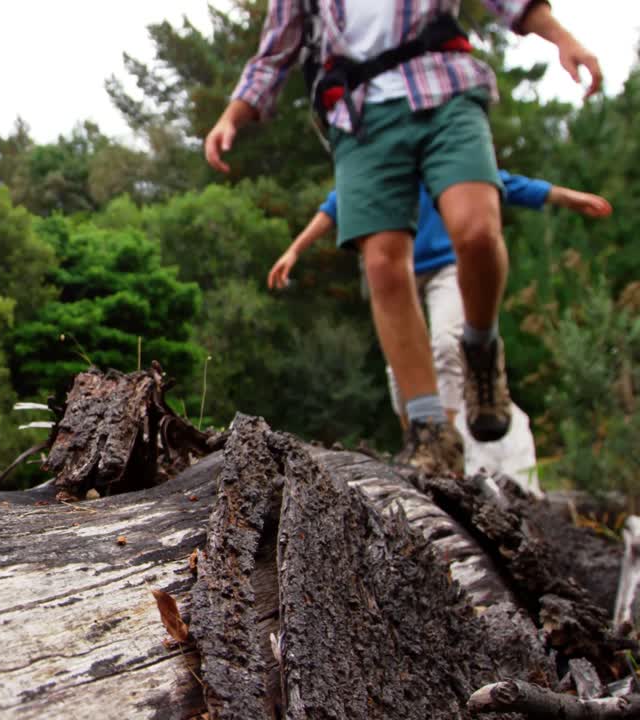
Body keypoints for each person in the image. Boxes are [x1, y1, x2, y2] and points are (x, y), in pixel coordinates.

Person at [204, 0, 602, 475]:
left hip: (443, 86)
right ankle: (429, 429)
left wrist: (562, 37)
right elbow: (274, 51)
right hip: (359, 113)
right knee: (382, 266)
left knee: (476, 232)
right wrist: (232, 115)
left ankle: (481, 348)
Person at [267, 173, 612, 485]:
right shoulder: (379, 160)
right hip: (398, 270)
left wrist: (566, 196)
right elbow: (334, 204)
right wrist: (295, 250)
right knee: (399, 368)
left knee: (448, 344)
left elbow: (504, 182)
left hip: (448, 266)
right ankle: (421, 446)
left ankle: (445, 453)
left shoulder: (442, 153)